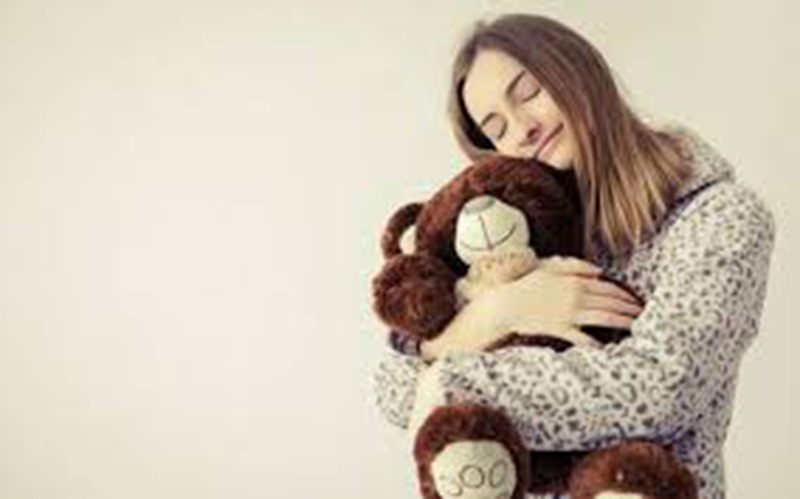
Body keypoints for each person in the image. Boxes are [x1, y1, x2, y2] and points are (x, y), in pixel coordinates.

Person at [373, 13, 776, 499]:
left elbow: (660, 389)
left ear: (577, 70)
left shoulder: (720, 216)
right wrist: (496, 314)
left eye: (526, 92)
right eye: (496, 127)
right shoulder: (518, 237)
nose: (520, 128)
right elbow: (392, 390)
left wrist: (450, 380)